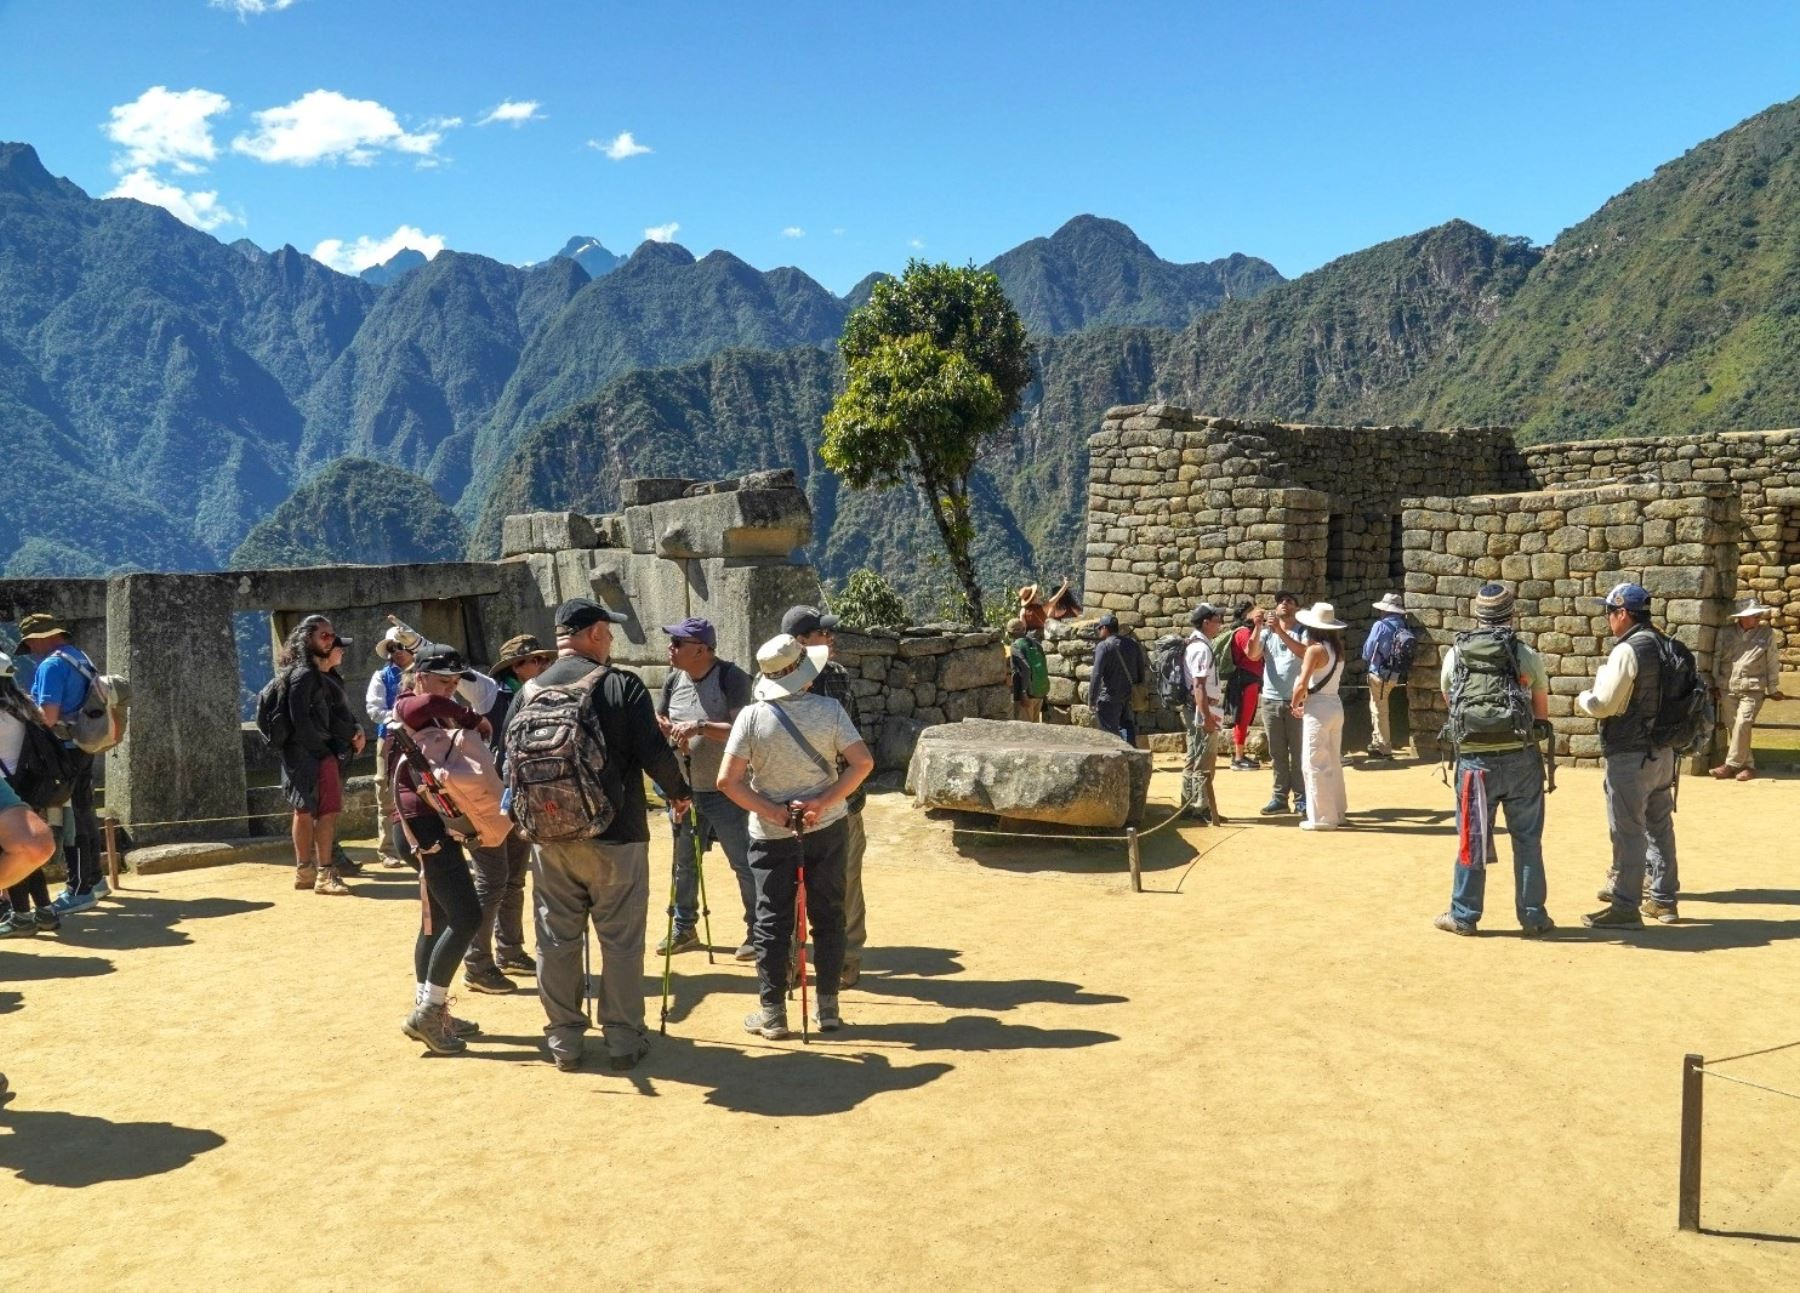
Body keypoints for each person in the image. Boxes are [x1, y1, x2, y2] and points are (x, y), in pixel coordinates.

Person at [522, 598, 691, 1073]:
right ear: (594, 633)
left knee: (556, 939)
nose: (613, 640)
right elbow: (656, 754)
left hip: (548, 837)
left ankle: (564, 1042)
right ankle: (621, 1040)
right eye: (609, 631)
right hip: (617, 833)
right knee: (619, 940)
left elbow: (505, 764)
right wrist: (679, 793)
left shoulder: (528, 690)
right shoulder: (621, 686)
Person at [719, 634, 873, 1039]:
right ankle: (828, 1008)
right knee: (829, 914)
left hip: (771, 833)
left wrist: (771, 811)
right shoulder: (830, 710)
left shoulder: (751, 718)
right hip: (826, 827)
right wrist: (823, 801)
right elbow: (862, 763)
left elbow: (727, 781)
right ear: (805, 676)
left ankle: (772, 1013)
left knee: (771, 921)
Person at [1431, 584, 1553, 937]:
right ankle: (1533, 917)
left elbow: (1451, 702)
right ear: (1510, 614)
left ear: (1478, 614)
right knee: (1528, 841)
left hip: (1474, 762)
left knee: (1473, 837)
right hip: (1521, 760)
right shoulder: (1526, 654)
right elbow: (1541, 714)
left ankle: (1464, 915)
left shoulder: (1456, 654)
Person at [390, 647, 492, 1054]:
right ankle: (429, 1012)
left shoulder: (424, 713)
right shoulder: (411, 706)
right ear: (420, 676)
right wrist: (472, 718)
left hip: (423, 826)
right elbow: (431, 702)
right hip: (422, 827)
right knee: (467, 916)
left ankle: (430, 1009)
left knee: (437, 920)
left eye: (455, 682)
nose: (451, 690)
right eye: (444, 680)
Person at [653, 617, 756, 961]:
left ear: (700, 649)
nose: (671, 649)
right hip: (685, 791)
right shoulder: (672, 681)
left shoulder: (732, 677)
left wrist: (699, 727)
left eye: (677, 644)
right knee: (684, 863)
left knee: (743, 862)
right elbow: (661, 721)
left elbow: (744, 730)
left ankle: (759, 931)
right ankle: (684, 929)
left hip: (729, 792)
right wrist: (665, 728)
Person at [1579, 583, 1680, 930]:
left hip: (1630, 754)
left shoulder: (1628, 650)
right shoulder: (1665, 643)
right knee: (1660, 827)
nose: (1607, 619)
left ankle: (1625, 906)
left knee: (1629, 831)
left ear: (1623, 613)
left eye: (1609, 612)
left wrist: (1584, 698)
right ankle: (1664, 901)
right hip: (1663, 752)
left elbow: (1604, 704)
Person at [784, 604, 872, 988]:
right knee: (822, 885)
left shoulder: (832, 678)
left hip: (810, 802)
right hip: (821, 800)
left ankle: (825, 960)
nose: (830, 638)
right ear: (801, 642)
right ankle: (822, 960)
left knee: (825, 884)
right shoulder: (826, 680)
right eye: (822, 633)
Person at [462, 633, 556, 985]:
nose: (545, 666)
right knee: (491, 883)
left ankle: (510, 951)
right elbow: (456, 671)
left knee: (514, 880)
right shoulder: (492, 695)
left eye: (546, 660)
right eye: (538, 660)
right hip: (488, 801)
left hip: (518, 799)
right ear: (517, 666)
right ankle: (477, 962)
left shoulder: (541, 696)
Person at [15, 613, 106, 914]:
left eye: (29, 641)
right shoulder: (79, 658)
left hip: (62, 752)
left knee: (70, 820)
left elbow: (49, 716)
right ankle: (95, 879)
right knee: (84, 810)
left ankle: (79, 888)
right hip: (84, 743)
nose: (30, 647)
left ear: (42, 636)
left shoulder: (52, 665)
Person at [276, 616, 365, 895]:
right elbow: (301, 720)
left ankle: (305, 872)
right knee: (325, 813)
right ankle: (325, 874)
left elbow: (320, 716)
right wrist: (324, 754)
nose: (330, 640)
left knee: (302, 810)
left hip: (298, 755)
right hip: (313, 753)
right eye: (324, 636)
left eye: (331, 635)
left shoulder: (304, 673)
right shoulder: (305, 675)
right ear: (307, 640)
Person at [0, 654, 60, 937]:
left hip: (9, 786)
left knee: (12, 853)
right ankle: (46, 910)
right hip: (31, 785)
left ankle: (22, 915)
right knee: (29, 855)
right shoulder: (24, 707)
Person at [1246, 591, 1307, 817]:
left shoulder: (1303, 631)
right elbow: (1252, 655)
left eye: (1289, 601)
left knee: (1299, 753)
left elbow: (1304, 652)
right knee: (1277, 753)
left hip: (1296, 701)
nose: (1283, 604)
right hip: (1271, 700)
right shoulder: (1266, 633)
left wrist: (1280, 632)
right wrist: (1257, 626)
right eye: (1280, 601)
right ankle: (1280, 798)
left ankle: (1302, 800)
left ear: (1296, 608)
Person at [1710, 598, 1784, 782]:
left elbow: (1772, 661)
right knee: (1735, 728)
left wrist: (1773, 687)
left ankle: (1730, 765)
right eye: (1754, 615)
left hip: (1753, 688)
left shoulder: (1766, 633)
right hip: (1727, 686)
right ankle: (1748, 766)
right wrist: (1715, 684)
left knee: (1743, 723)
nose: (1758, 617)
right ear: (1742, 618)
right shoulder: (1725, 633)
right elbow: (1716, 658)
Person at [1289, 602, 1348, 831]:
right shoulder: (1338, 648)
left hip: (1319, 706)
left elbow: (1302, 683)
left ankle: (1322, 817)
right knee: (1333, 759)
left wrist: (1295, 704)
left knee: (1314, 762)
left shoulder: (1315, 650)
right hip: (1335, 703)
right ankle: (1337, 811)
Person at [366, 628, 416, 869]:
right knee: (385, 792)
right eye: (392, 648)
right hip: (388, 738)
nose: (396, 652)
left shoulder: (424, 674)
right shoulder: (381, 676)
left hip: (421, 738)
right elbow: (374, 710)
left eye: (400, 646)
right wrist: (403, 715)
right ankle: (388, 849)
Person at [1182, 605, 1226, 824]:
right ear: (1206, 623)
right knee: (1204, 759)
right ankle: (1200, 807)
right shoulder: (1201, 649)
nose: (1220, 623)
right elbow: (1199, 686)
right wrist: (1207, 716)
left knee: (1194, 756)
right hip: (1201, 707)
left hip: (1196, 707)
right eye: (1217, 619)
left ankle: (1188, 805)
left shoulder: (1195, 644)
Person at [1362, 593, 1410, 760]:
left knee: (1379, 710)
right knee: (1378, 707)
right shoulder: (1403, 626)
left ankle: (1384, 747)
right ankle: (1377, 742)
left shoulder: (1380, 625)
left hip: (1378, 673)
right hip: (1394, 674)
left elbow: (1368, 651)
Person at [1089, 613, 1137, 742]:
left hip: (1109, 698)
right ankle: (1133, 757)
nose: (1099, 631)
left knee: (1110, 735)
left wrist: (1092, 699)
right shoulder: (1132, 644)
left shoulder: (1103, 647)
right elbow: (1139, 671)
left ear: (1105, 628)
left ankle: (1118, 759)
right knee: (1127, 728)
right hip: (1126, 696)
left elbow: (1097, 674)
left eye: (1099, 628)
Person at [1226, 602, 1262, 770]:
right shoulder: (1243, 633)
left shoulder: (1245, 632)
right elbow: (1252, 655)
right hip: (1245, 680)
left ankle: (1240, 755)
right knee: (1243, 718)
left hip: (1248, 679)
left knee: (1244, 718)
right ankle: (1238, 758)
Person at [1007, 618, 1049, 722]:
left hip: (1025, 695)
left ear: (1011, 633)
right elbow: (1043, 667)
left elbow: (1026, 668)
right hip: (1038, 692)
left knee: (1024, 732)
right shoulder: (1037, 644)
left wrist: (1023, 692)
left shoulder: (1016, 646)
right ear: (1024, 629)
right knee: (1035, 727)